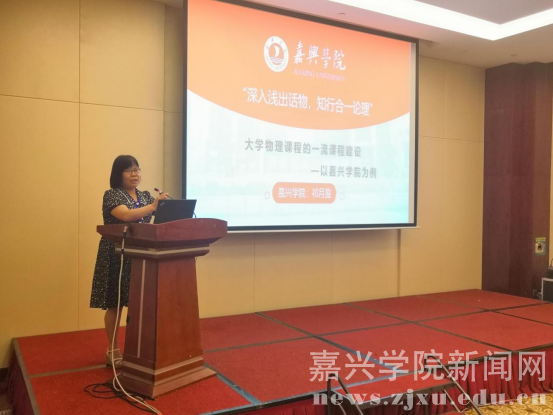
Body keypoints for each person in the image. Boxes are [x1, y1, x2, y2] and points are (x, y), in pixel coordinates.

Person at [90, 155, 168, 368]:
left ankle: (139, 349)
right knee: (115, 303)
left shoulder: (145, 195)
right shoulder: (112, 194)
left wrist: (165, 208)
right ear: (119, 174)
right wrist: (154, 207)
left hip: (141, 253)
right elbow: (126, 215)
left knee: (139, 303)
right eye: (129, 170)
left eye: (137, 169)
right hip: (117, 253)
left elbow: (151, 223)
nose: (135, 174)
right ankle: (113, 349)